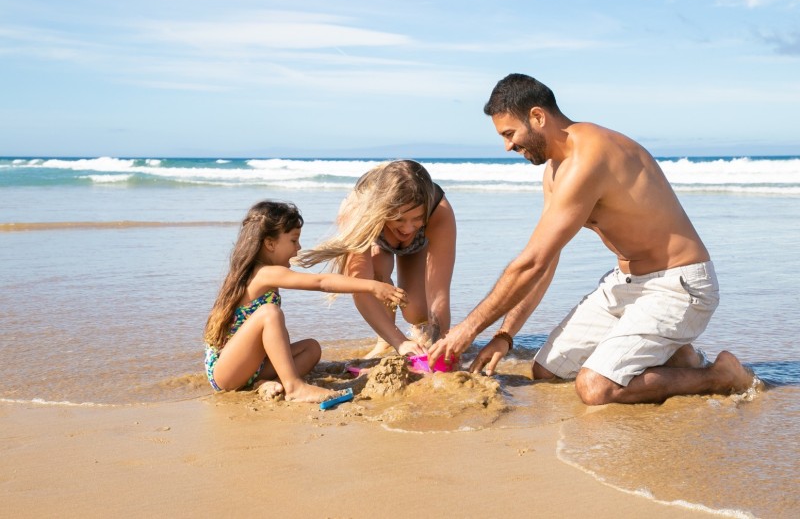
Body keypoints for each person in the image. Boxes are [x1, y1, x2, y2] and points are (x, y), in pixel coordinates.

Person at [428, 73, 753, 405]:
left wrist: (466, 331)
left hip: (679, 286)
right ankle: (676, 357)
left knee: (595, 387)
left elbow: (530, 263)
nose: (507, 146)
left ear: (538, 117)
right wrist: (504, 336)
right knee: (547, 371)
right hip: (628, 284)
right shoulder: (555, 172)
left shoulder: (591, 157)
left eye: (510, 134)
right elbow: (545, 260)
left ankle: (721, 375)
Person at [203, 200, 408, 402]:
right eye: (293, 240)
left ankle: (266, 382)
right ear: (270, 243)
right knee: (269, 313)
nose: (298, 248)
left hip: (251, 367)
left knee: (311, 348)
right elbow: (321, 282)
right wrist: (372, 285)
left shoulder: (262, 273)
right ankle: (294, 387)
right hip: (226, 371)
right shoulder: (264, 273)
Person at [297, 160, 456, 358]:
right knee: (377, 273)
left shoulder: (438, 210)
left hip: (417, 246)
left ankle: (421, 335)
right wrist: (400, 342)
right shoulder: (358, 210)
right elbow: (361, 289)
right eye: (398, 219)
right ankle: (385, 342)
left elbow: (439, 293)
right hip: (375, 234)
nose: (407, 229)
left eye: (417, 219)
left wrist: (440, 344)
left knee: (416, 311)